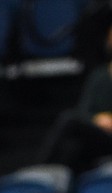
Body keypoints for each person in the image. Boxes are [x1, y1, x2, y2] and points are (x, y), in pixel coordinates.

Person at [40, 24, 112, 174]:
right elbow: (83, 110)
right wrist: (96, 118)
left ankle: (45, 171)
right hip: (98, 133)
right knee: (70, 128)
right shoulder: (99, 75)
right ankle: (45, 174)